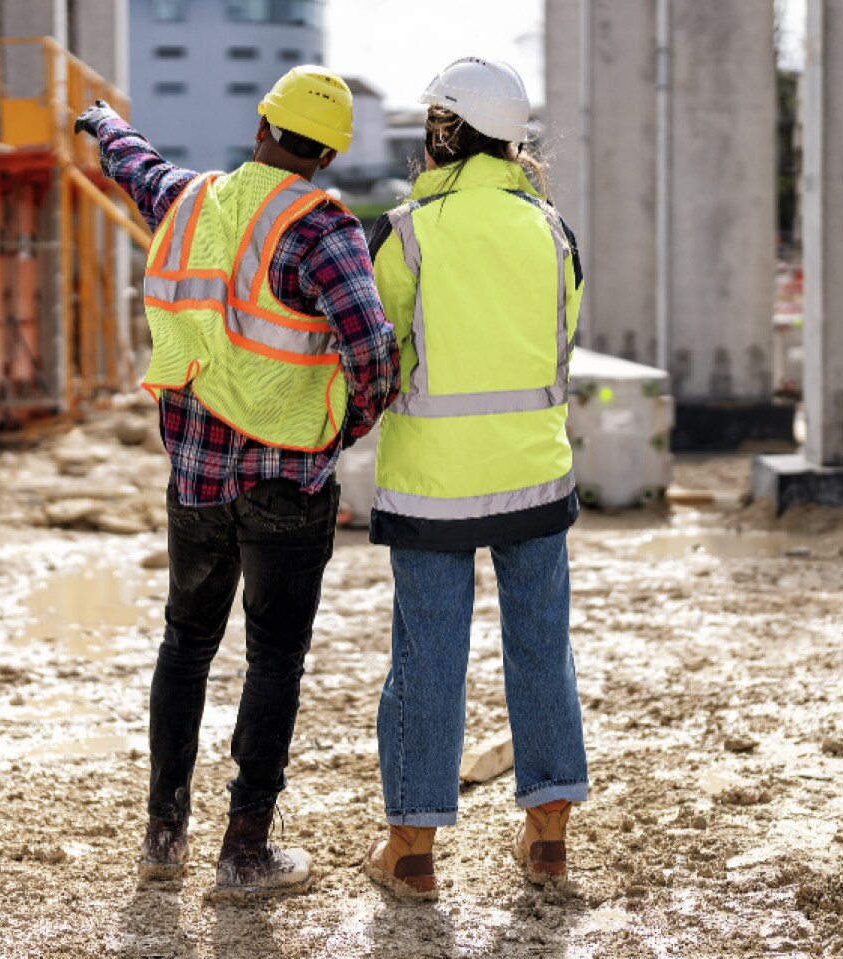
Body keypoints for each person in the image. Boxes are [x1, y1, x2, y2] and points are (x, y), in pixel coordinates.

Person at [73, 67, 399, 895]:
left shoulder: (192, 201)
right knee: (275, 658)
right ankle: (245, 851)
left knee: (186, 644)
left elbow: (138, 166)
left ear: (262, 124)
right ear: (328, 153)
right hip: (290, 482)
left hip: (197, 479)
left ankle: (163, 836)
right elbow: (370, 349)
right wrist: (346, 428)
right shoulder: (325, 230)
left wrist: (104, 123)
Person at [358, 57, 587, 899]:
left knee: (427, 661)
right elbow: (562, 341)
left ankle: (412, 852)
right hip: (533, 477)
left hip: (433, 485)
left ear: (446, 134)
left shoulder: (409, 231)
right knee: (541, 650)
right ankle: (549, 840)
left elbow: (381, 355)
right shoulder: (550, 229)